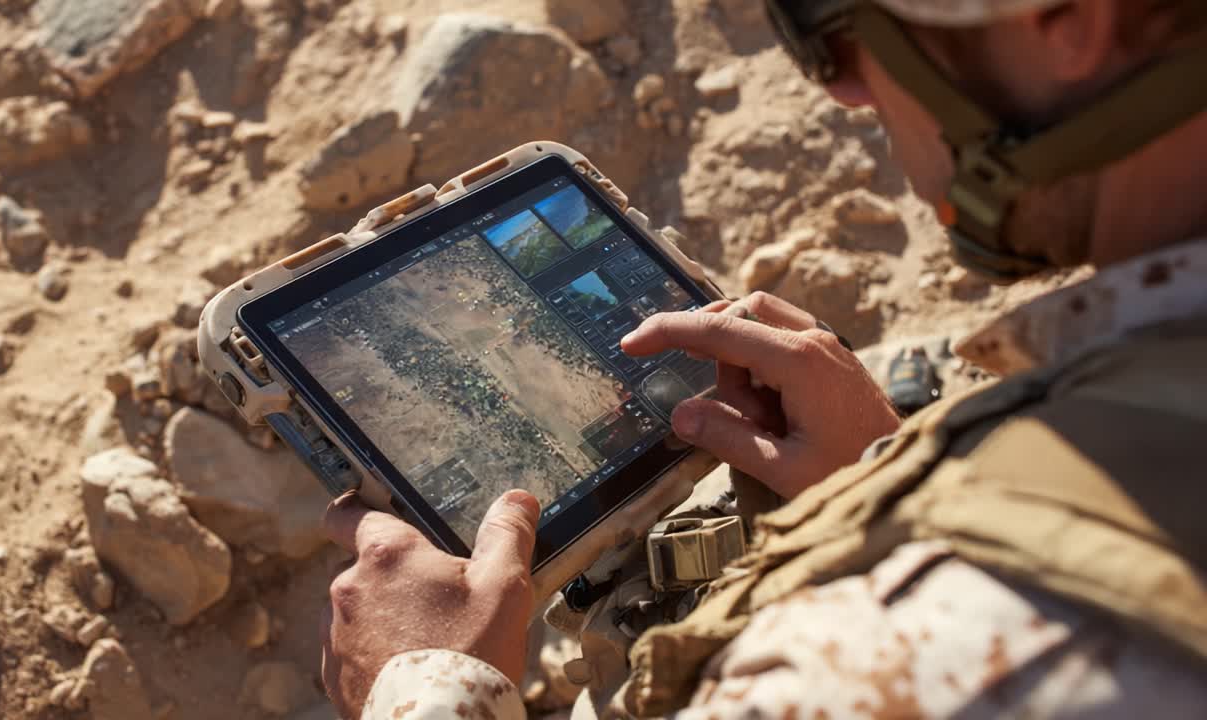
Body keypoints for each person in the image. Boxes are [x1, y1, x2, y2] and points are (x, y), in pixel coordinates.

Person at [320, 0, 1207, 717]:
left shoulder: (861, 674)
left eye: (842, 30)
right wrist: (876, 475)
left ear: (1070, 20)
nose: (851, 90)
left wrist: (425, 688)